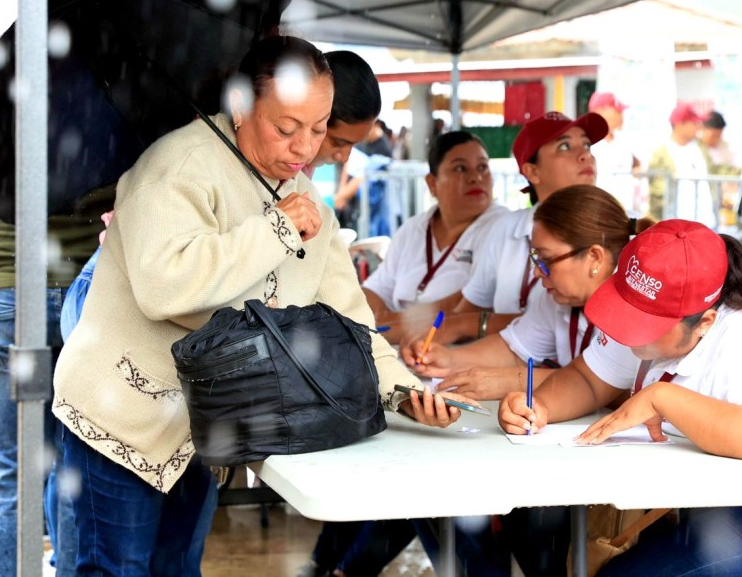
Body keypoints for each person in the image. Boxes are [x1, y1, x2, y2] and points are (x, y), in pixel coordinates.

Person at [53, 36, 463, 575]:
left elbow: (349, 318)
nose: (304, 149)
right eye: (286, 128)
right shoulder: (176, 167)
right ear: (243, 106)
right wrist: (276, 229)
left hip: (203, 427)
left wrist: (405, 391)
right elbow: (164, 287)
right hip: (122, 410)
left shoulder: (306, 200)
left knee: (176, 567)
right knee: (113, 569)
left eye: (318, 130)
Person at [500, 221, 742, 576]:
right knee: (567, 546)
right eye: (627, 312)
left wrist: (663, 398)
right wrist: (539, 407)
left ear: (705, 320)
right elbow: (588, 380)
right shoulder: (653, 315)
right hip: (741, 501)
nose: (630, 332)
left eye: (646, 324)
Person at [0, 64, 110, 576]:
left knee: (10, 470)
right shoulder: (114, 61)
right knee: (71, 465)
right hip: (85, 295)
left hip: (5, 291)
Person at [404, 185, 647, 400]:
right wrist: (449, 360)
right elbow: (514, 349)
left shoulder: (639, 307)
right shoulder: (559, 297)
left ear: (594, 257)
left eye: (546, 259)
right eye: (535, 257)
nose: (537, 273)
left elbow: (612, 387)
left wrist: (515, 381)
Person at [433, 111, 608, 345]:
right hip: (509, 364)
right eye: (565, 146)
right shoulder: (505, 228)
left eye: (586, 144)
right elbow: (464, 312)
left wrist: (470, 325)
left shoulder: (621, 228)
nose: (585, 155)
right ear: (532, 171)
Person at [364, 130, 505, 344]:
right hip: (394, 345)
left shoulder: (502, 227)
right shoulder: (413, 228)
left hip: (456, 351)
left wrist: (391, 323)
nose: (476, 177)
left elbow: (469, 303)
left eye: (483, 167)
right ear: (432, 183)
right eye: (460, 168)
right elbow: (374, 290)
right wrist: (388, 323)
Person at [647, 102, 716, 227]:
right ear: (680, 124)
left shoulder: (700, 147)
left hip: (705, 220)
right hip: (676, 224)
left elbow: (713, 170)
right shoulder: (662, 154)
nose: (698, 127)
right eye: (694, 123)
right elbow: (657, 193)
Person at [588, 91, 640, 212]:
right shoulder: (586, 144)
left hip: (627, 216)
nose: (622, 115)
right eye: (618, 111)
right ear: (600, 111)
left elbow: (637, 167)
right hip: (599, 215)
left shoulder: (624, 142)